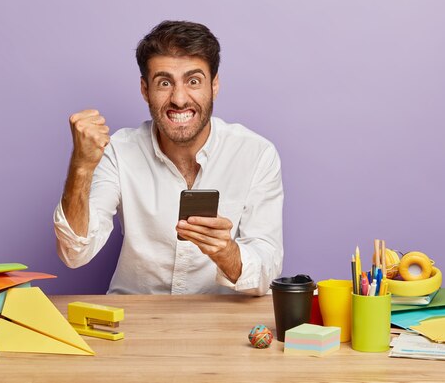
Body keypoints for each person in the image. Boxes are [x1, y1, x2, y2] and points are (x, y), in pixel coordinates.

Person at [54, 20, 283, 295]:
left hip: (220, 321)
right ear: (144, 89)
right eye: (164, 82)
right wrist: (81, 166)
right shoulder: (118, 150)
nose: (179, 98)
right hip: (135, 319)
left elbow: (268, 269)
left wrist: (227, 253)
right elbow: (74, 253)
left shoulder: (256, 154)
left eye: (194, 81)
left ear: (215, 85)